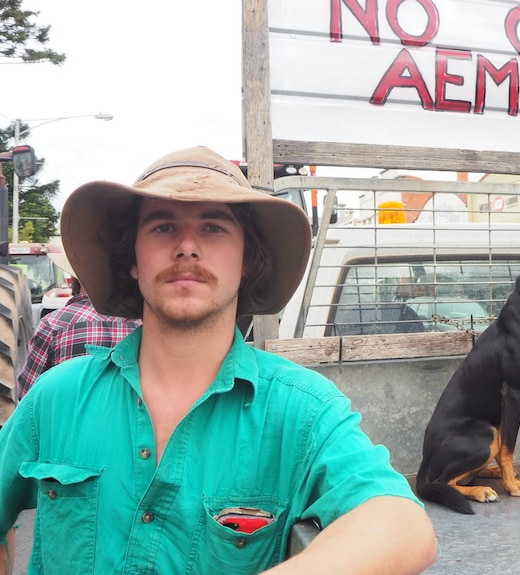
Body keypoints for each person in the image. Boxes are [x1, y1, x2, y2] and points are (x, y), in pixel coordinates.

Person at [0, 146, 438, 574]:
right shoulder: (56, 398)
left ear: (248, 259)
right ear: (131, 258)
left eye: (213, 228)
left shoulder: (303, 411)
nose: (187, 246)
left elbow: (402, 525)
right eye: (162, 227)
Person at [16, 251, 141, 400]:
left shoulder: (53, 324)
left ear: (75, 278)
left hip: (65, 419)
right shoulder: (141, 324)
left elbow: (28, 394)